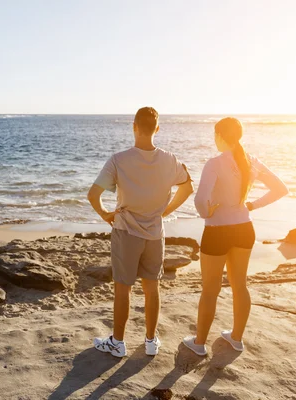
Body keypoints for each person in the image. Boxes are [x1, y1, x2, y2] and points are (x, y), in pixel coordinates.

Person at [87, 107, 194, 358]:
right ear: (157, 129)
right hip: (155, 233)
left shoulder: (119, 160)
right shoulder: (170, 160)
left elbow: (93, 196)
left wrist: (105, 215)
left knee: (122, 289)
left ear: (133, 126)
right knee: (152, 287)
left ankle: (119, 342)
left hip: (126, 232)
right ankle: (150, 341)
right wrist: (164, 212)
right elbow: (188, 188)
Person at [183, 117, 289, 356]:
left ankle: (199, 344)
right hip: (244, 228)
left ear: (220, 136)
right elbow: (281, 189)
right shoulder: (251, 161)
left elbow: (200, 200)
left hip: (217, 231)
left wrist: (206, 212)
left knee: (210, 289)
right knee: (240, 285)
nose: (214, 140)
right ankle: (236, 338)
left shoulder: (214, 163)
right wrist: (251, 205)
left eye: (215, 135)